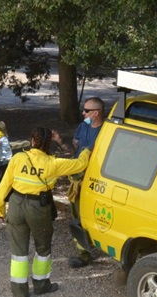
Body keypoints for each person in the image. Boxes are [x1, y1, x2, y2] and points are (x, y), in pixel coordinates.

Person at [0, 127, 92, 297]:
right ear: (48, 144)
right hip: (38, 208)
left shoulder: (18, 158)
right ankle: (41, 285)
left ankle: (20, 292)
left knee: (18, 252)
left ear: (32, 141)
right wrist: (85, 151)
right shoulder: (53, 163)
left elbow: (4, 186)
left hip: (16, 205)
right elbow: (80, 164)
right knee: (43, 249)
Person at [53, 96, 105, 268]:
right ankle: (83, 254)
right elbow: (73, 150)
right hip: (78, 181)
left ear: (96, 113)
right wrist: (60, 141)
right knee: (77, 217)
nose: (83, 113)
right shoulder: (83, 127)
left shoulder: (107, 132)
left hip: (96, 182)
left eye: (87, 111)